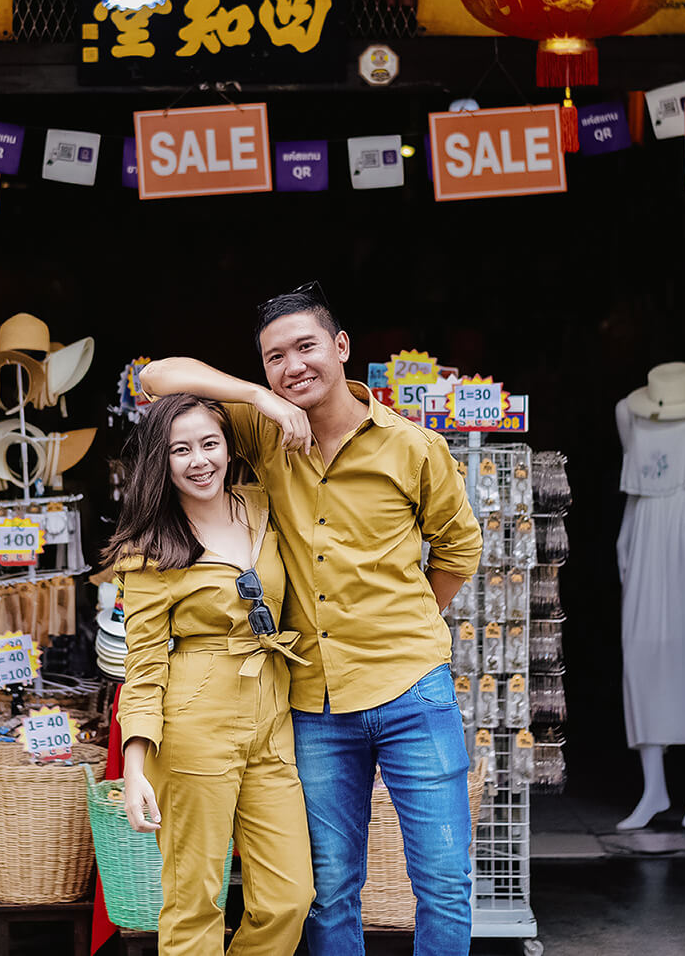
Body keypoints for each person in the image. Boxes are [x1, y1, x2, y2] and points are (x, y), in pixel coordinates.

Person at [140, 283, 483, 956]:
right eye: (276, 358)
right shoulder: (261, 430)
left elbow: (459, 548)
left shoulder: (412, 447)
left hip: (413, 688)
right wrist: (258, 397)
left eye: (307, 347)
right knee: (328, 891)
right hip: (314, 702)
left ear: (342, 347)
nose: (294, 366)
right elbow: (156, 377)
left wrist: (411, 619)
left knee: (443, 880)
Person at [111, 393, 313, 956]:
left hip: (273, 715)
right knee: (195, 900)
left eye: (209, 443)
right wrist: (134, 766)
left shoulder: (263, 505)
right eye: (181, 450)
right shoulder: (148, 549)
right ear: (161, 461)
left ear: (229, 447)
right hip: (195, 721)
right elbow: (144, 662)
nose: (199, 460)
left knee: (289, 898)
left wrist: (256, 398)